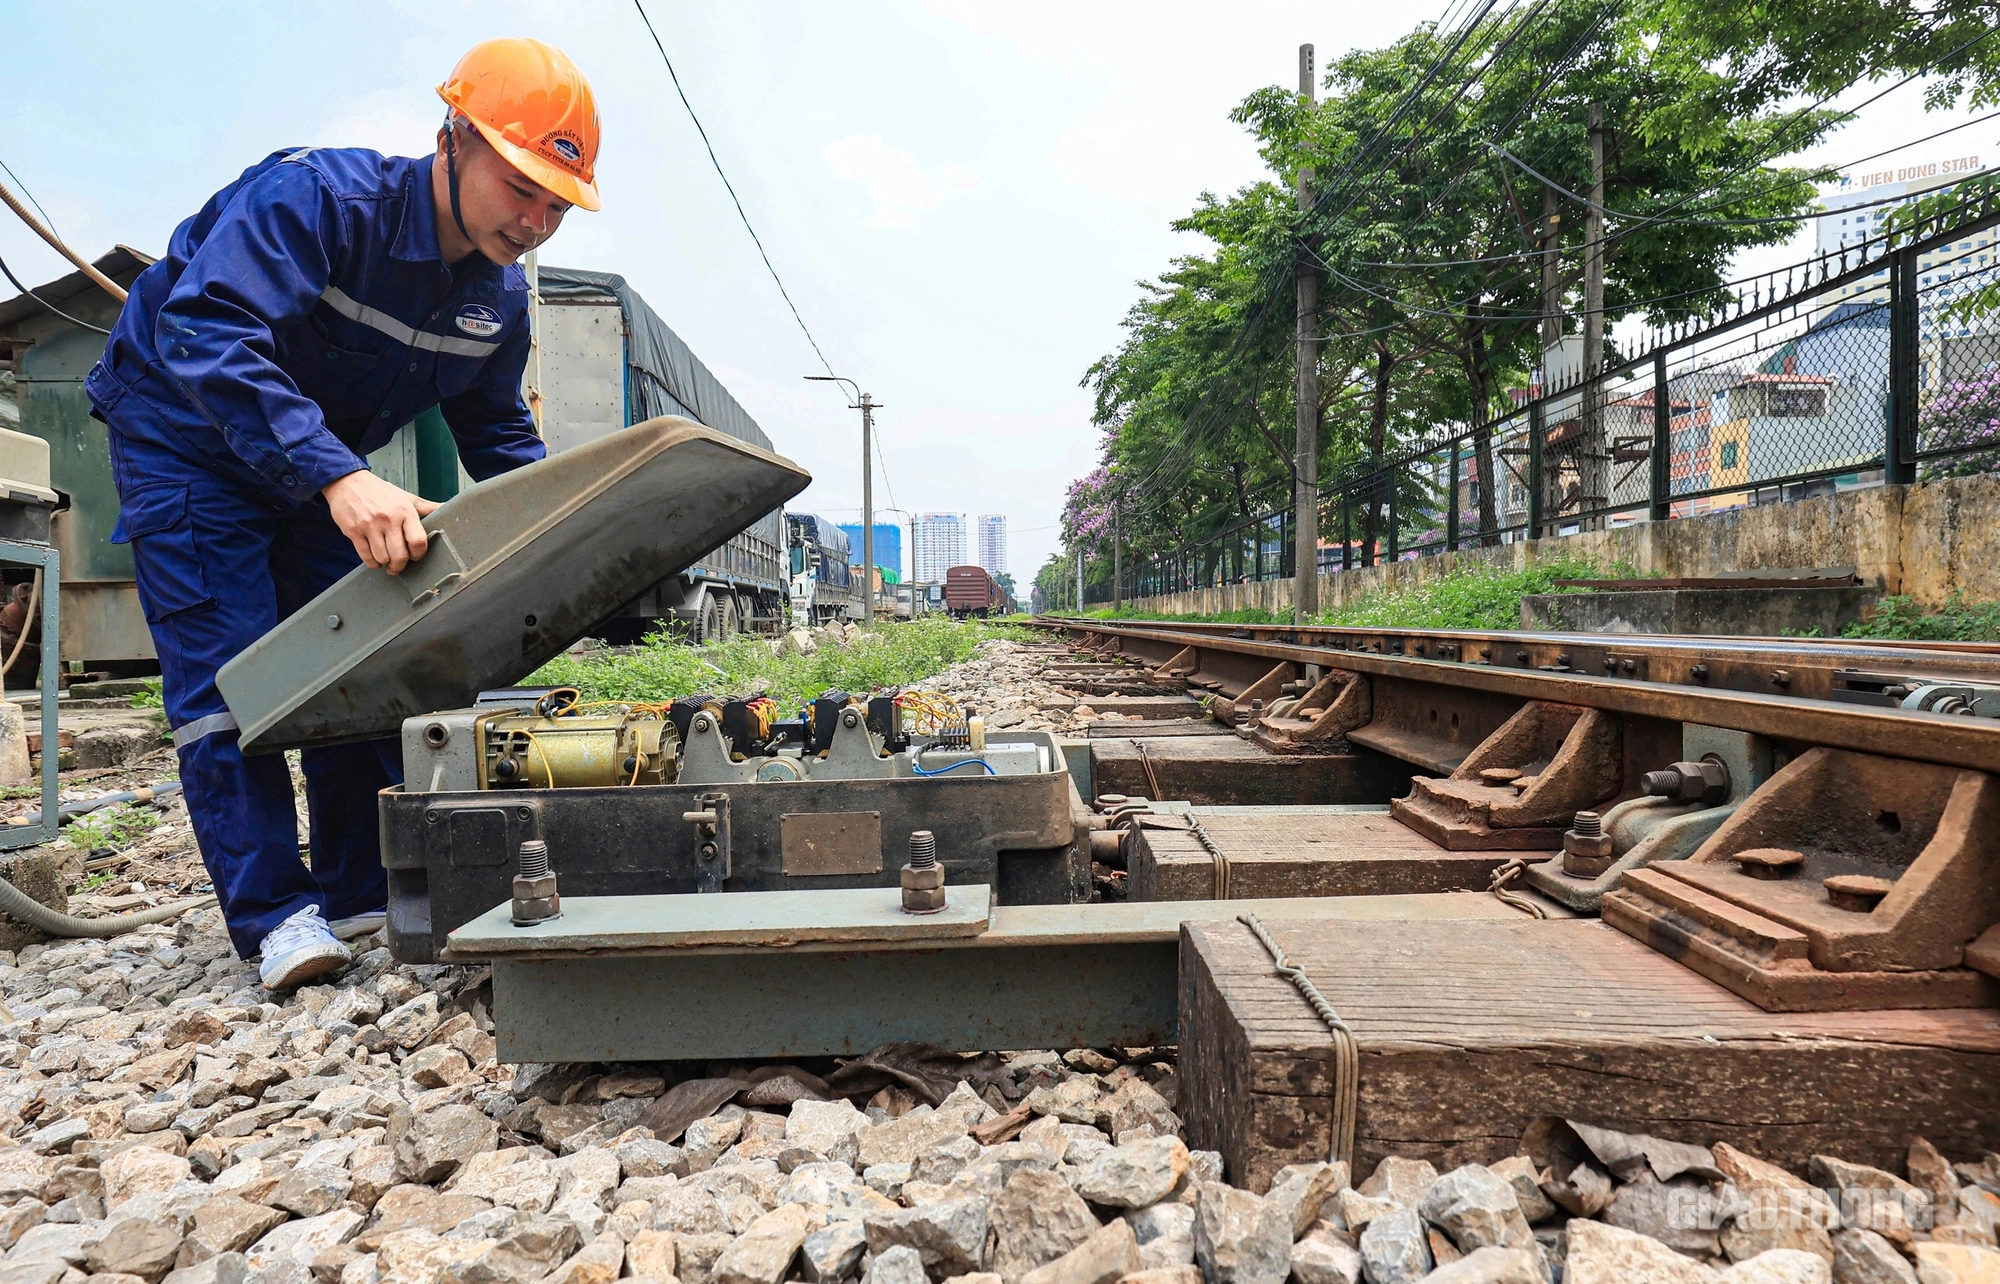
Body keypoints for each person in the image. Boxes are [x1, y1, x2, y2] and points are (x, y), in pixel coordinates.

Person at [86, 38, 601, 989]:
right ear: (453, 138)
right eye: (519, 187)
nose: (534, 222)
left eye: (556, 207)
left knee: (361, 659)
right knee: (230, 683)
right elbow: (202, 326)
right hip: (183, 434)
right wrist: (339, 476)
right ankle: (277, 917)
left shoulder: (495, 301)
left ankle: (356, 886)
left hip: (301, 462)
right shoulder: (320, 202)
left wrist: (567, 552)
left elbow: (499, 445)